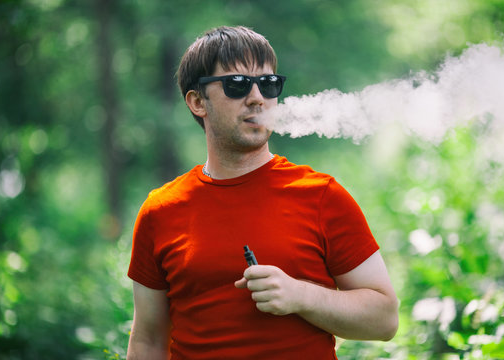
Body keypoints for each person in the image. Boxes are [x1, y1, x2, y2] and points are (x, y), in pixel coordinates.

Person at [127, 25, 399, 360]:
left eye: (268, 84)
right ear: (198, 102)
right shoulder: (161, 210)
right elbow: (147, 342)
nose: (257, 96)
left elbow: (384, 319)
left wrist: (301, 296)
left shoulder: (322, 195)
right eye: (237, 84)